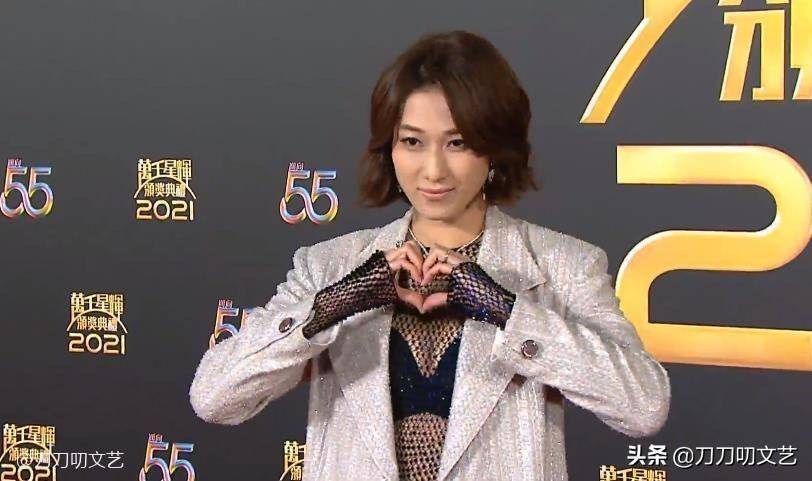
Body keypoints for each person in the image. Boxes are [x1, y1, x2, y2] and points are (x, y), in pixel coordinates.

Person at [189, 30, 671, 481]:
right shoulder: (329, 266)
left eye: (458, 143)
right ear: (390, 148)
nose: (433, 170)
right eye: (412, 142)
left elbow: (644, 406)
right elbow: (214, 398)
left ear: (494, 149)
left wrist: (507, 310)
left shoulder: (561, 265)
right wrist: (338, 302)